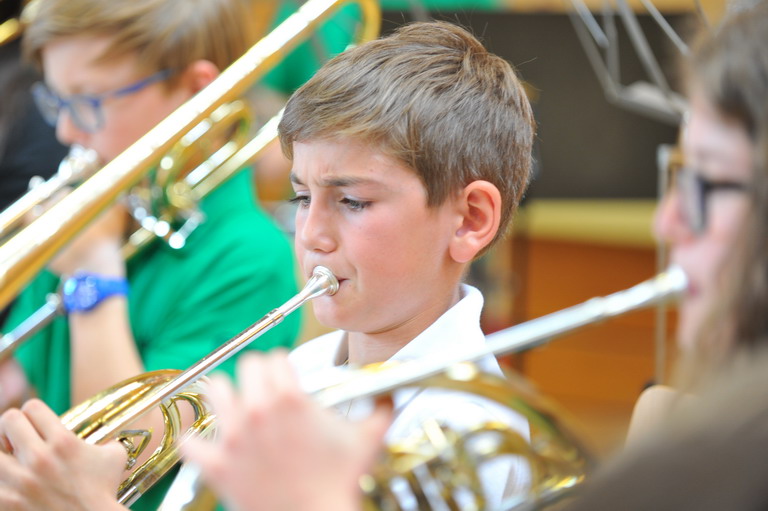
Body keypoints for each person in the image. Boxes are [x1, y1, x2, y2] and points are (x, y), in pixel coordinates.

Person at [0, 19, 537, 511]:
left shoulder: (467, 433)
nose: (311, 234)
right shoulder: (302, 372)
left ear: (470, 220)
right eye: (303, 198)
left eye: (352, 202)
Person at [0, 0, 300, 508]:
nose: (66, 132)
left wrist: (95, 273)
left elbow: (118, 461)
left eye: (88, 101)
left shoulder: (251, 259)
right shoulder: (100, 212)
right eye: (57, 102)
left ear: (197, 90)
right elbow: (16, 386)